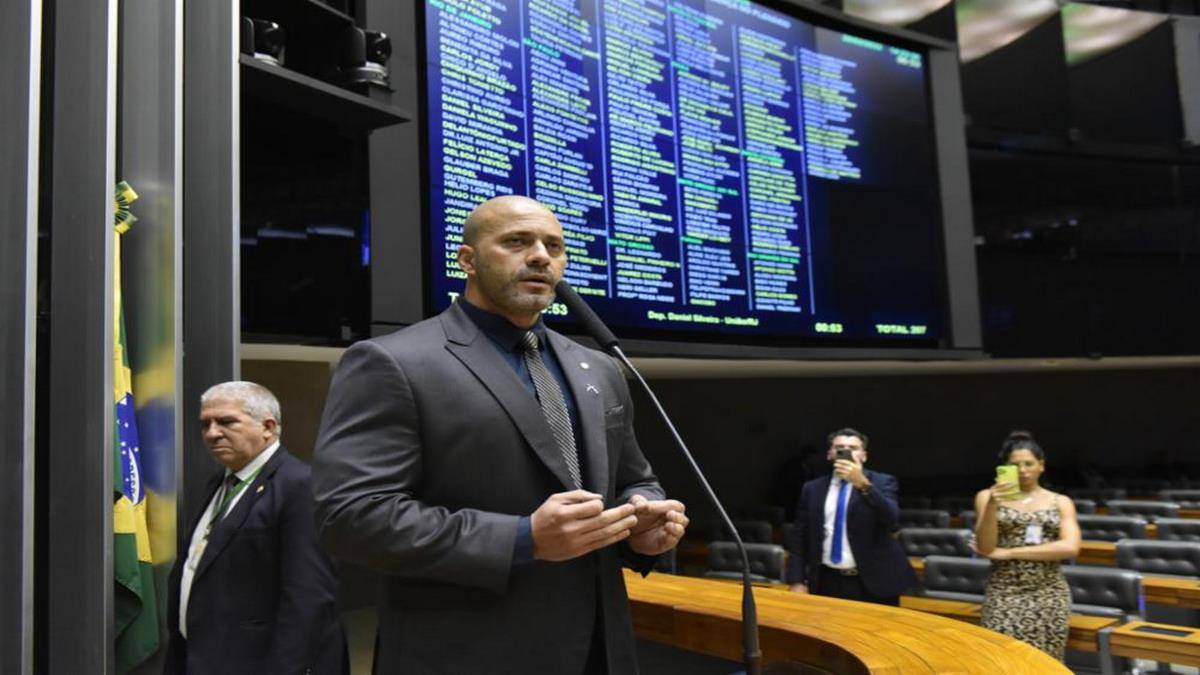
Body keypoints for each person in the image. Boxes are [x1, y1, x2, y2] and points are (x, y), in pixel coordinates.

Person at [311, 195, 689, 674]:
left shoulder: (598, 365)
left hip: (602, 650)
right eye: (516, 241)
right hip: (467, 653)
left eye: (553, 246)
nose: (539, 256)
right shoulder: (393, 363)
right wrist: (522, 538)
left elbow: (636, 479)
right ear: (467, 260)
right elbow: (349, 518)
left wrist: (640, 527)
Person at [165, 381, 346, 674]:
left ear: (268, 426)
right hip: (205, 657)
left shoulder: (300, 486)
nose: (212, 433)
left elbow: (308, 597)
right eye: (205, 424)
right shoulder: (220, 483)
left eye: (226, 421)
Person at [973, 431, 1081, 661]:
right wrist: (993, 504)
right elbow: (985, 547)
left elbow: (1070, 547)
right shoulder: (986, 497)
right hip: (1004, 591)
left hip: (1049, 593)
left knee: (1046, 661)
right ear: (1005, 468)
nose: (1023, 470)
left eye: (1029, 463)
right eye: (1015, 465)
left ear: (1041, 466)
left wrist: (1011, 552)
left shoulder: (1060, 501)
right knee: (1001, 659)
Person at [786, 428, 916, 605]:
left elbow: (891, 519)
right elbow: (800, 537)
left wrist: (862, 484)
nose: (846, 451)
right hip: (826, 580)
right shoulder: (812, 489)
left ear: (864, 455)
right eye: (839, 447)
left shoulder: (882, 482)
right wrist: (796, 580)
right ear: (830, 454)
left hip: (875, 581)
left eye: (853, 448)